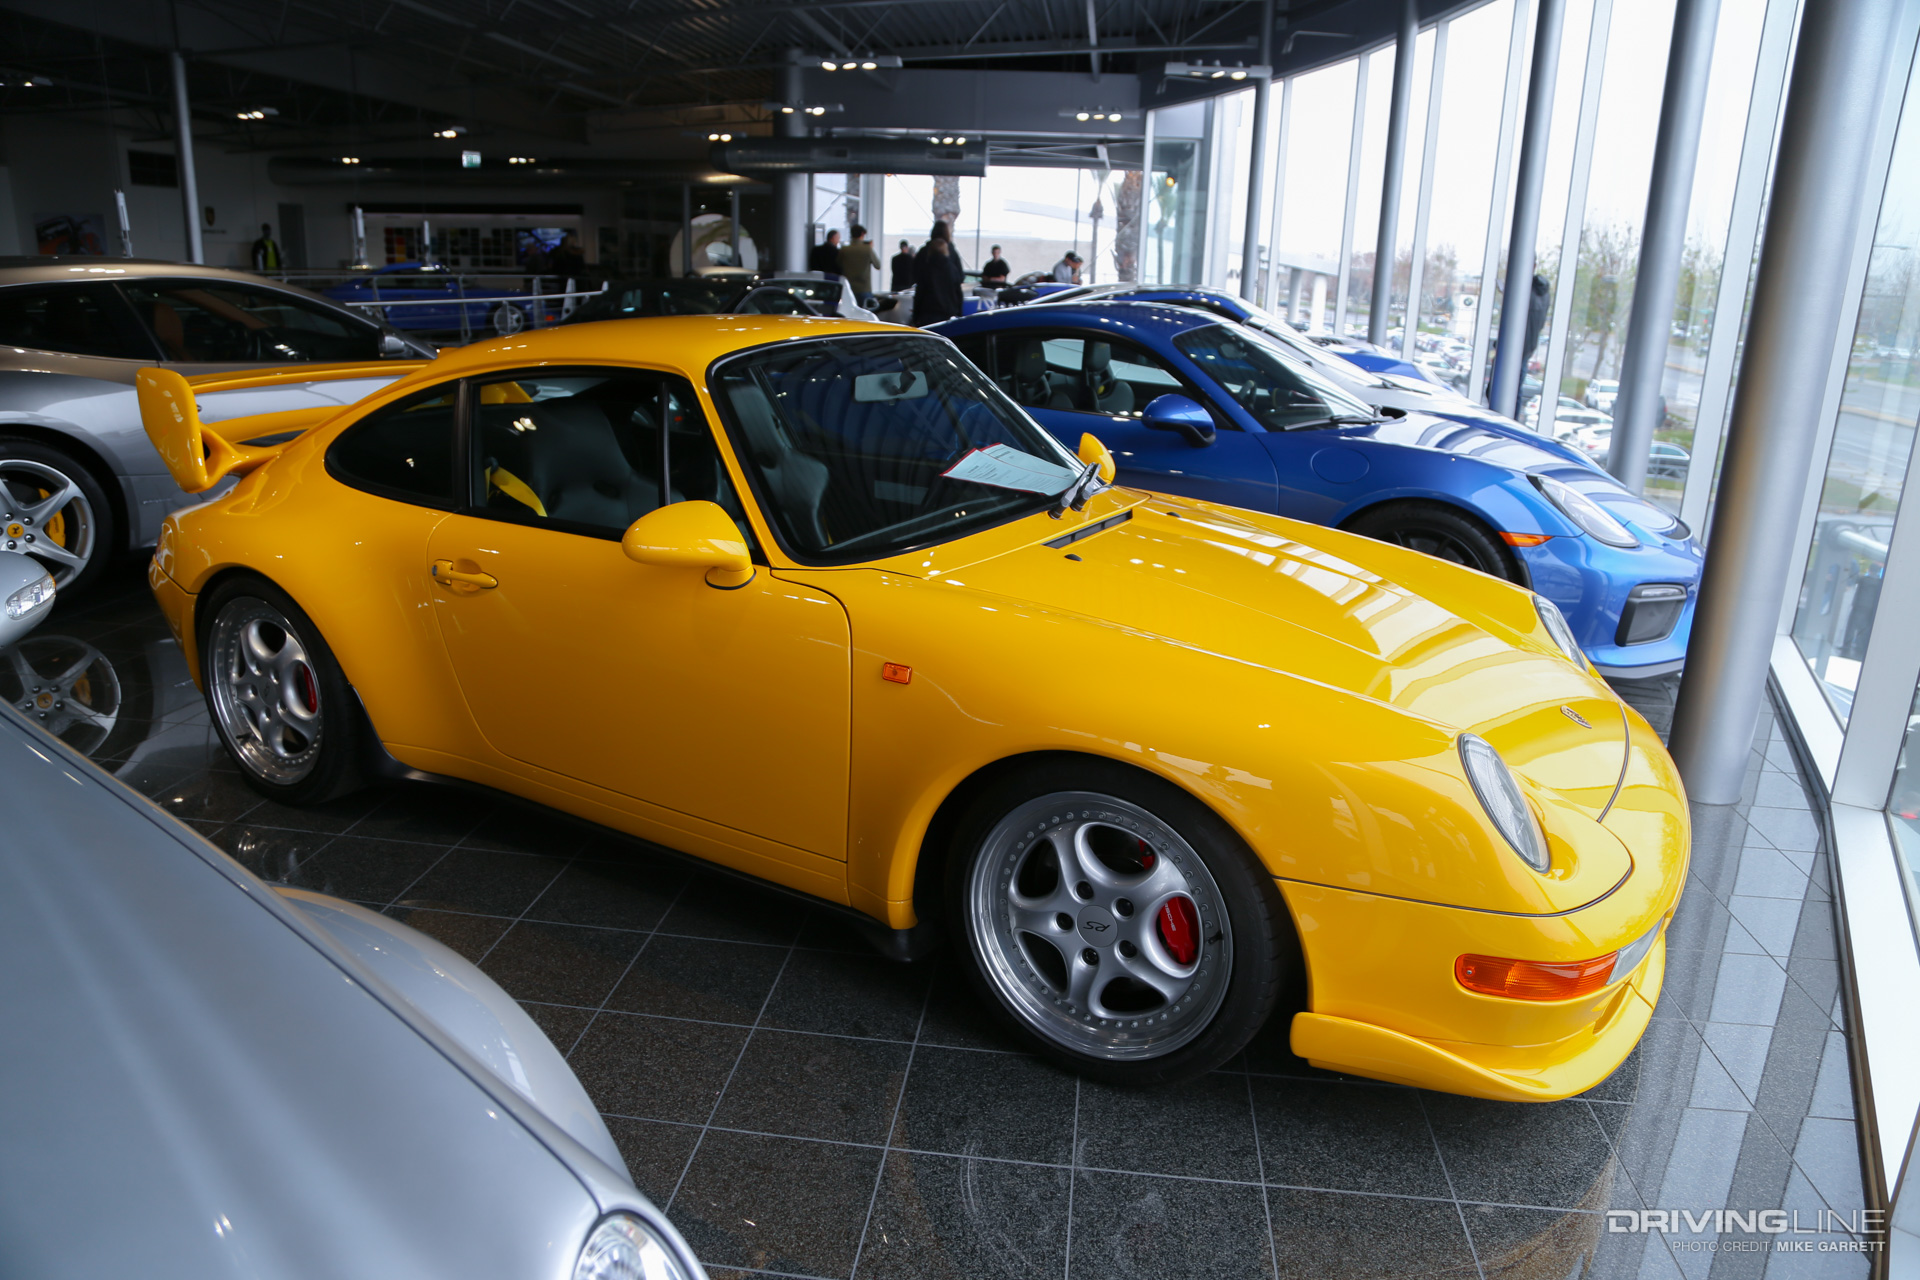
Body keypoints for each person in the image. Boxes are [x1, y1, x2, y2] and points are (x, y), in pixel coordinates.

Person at [910, 220, 966, 326]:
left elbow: (917, 280)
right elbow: (960, 280)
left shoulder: (923, 252)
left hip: (927, 310)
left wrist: (916, 316)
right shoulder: (953, 254)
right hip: (949, 310)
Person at [838, 224, 882, 308]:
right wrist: (870, 248)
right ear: (862, 234)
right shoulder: (867, 249)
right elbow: (878, 265)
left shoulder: (844, 249)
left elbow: (838, 264)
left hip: (848, 288)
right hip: (864, 288)